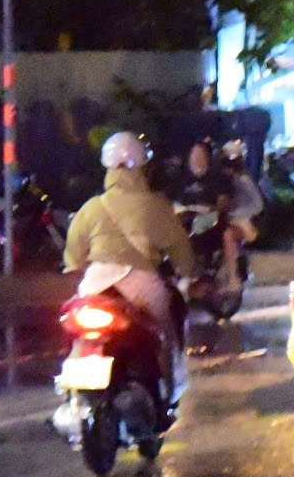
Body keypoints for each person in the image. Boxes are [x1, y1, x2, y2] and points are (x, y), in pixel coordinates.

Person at [60, 131, 196, 396]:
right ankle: (167, 392)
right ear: (143, 166)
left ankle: (71, 397)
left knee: (78, 333)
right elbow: (182, 251)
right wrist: (190, 271)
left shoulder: (91, 207)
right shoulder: (157, 206)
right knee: (164, 332)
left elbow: (73, 256)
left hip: (95, 286)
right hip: (143, 284)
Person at [171, 140, 263, 292]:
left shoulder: (236, 181)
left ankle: (232, 279)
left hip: (233, 222)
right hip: (200, 219)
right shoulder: (184, 181)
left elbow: (249, 205)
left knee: (227, 235)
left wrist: (228, 213)